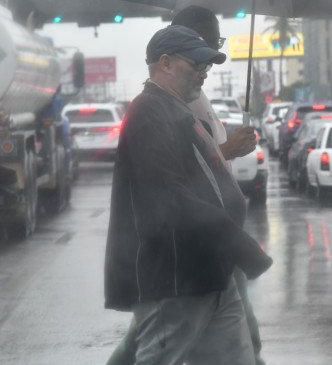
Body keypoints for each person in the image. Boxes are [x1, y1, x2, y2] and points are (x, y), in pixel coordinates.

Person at [104, 24, 273, 365]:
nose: (203, 74)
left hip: (212, 272)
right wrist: (238, 243)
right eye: (195, 64)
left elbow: (203, 180)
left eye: (206, 66)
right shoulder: (149, 112)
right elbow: (171, 197)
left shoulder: (180, 111)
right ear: (165, 64)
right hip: (175, 278)